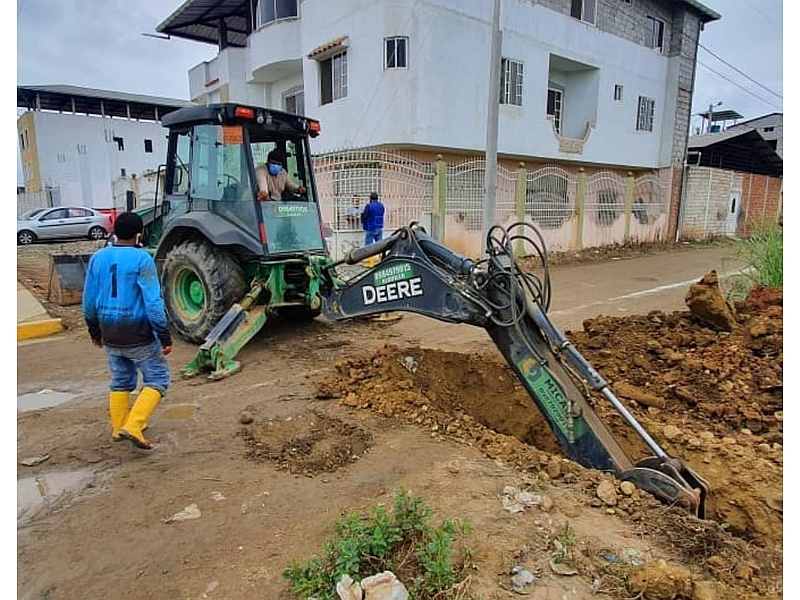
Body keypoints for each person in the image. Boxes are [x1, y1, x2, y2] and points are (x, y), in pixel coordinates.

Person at [82, 211, 173, 450]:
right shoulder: (142, 260)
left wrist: (95, 332)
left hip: (109, 332)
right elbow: (153, 303)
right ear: (139, 234)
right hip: (138, 333)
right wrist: (164, 335)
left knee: (121, 380)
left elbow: (89, 301)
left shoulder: (98, 258)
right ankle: (134, 426)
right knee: (158, 378)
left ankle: (118, 427)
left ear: (113, 232)